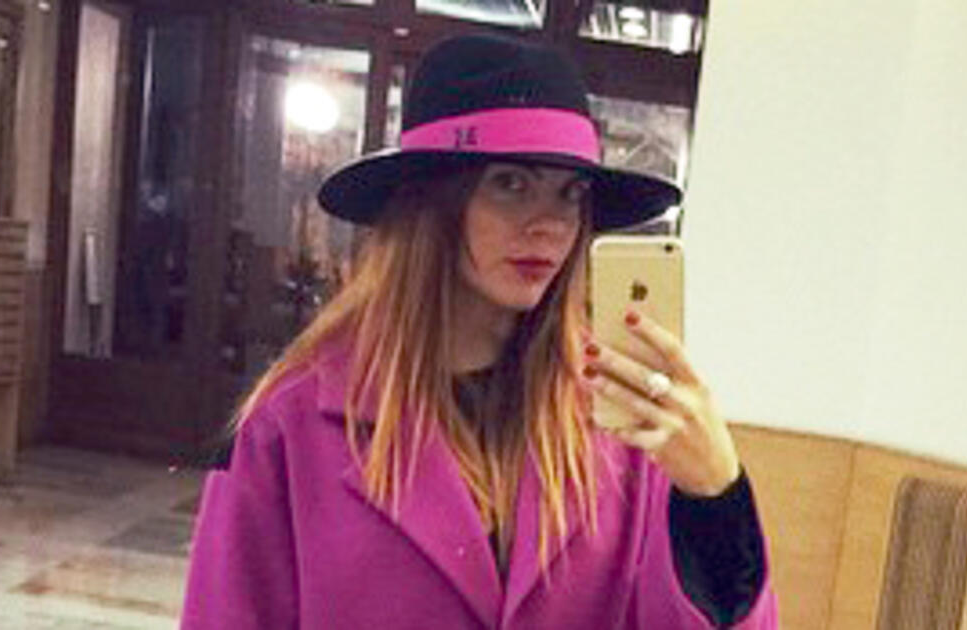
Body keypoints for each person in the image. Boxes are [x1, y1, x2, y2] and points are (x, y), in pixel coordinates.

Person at [181, 33, 777, 629]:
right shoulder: (290, 424)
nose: (550, 225)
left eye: (570, 194)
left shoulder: (617, 419)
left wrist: (716, 499)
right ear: (429, 202)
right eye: (511, 183)